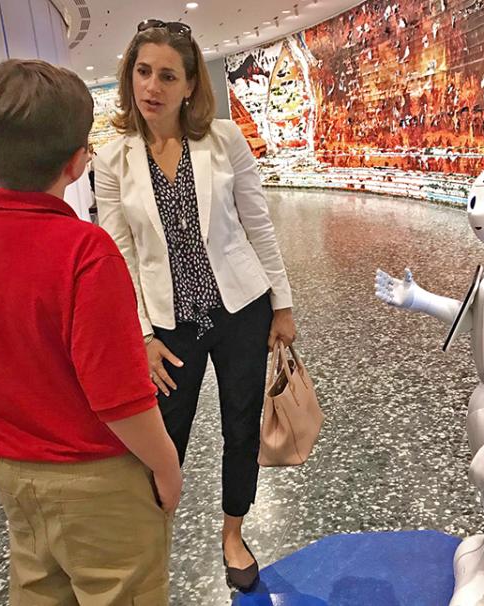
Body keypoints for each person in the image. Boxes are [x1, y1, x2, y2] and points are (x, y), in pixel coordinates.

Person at [95, 19, 296, 591]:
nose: (151, 86)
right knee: (165, 436)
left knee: (240, 426)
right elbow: (120, 258)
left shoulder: (224, 141)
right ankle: (152, 537)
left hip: (240, 309)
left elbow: (259, 224)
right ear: (129, 74)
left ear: (189, 86)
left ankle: (234, 533)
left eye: (167, 75)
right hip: (167, 326)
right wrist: (140, 336)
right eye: (142, 71)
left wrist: (283, 305)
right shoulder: (114, 160)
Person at [0, 59, 181, 606]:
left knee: (37, 588)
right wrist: (166, 466)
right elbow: (117, 397)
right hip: (97, 481)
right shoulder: (84, 251)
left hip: (14, 472)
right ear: (77, 163)